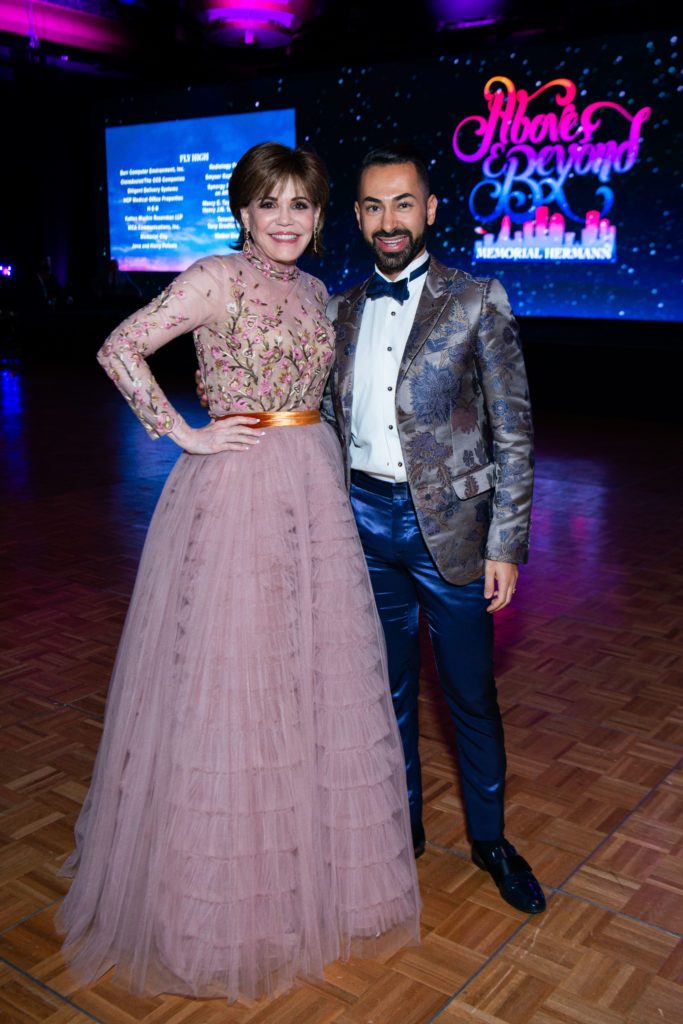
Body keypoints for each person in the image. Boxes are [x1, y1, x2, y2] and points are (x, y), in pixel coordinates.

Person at [56, 142, 421, 1003]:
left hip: (312, 486)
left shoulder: (317, 292)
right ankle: (222, 895)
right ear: (243, 213)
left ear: (320, 215)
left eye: (300, 204)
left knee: (308, 673)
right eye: (268, 204)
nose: (284, 220)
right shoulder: (214, 277)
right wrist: (183, 433)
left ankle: (305, 868)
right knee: (235, 674)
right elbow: (120, 348)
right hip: (238, 486)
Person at [325, 144, 545, 915]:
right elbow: (325, 423)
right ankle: (403, 829)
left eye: (403, 203)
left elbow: (512, 430)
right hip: (360, 526)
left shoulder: (478, 298)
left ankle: (490, 840)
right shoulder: (338, 309)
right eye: (373, 206)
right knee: (383, 694)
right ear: (358, 217)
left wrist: (504, 543)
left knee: (469, 697)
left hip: (451, 535)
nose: (389, 220)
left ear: (430, 209)